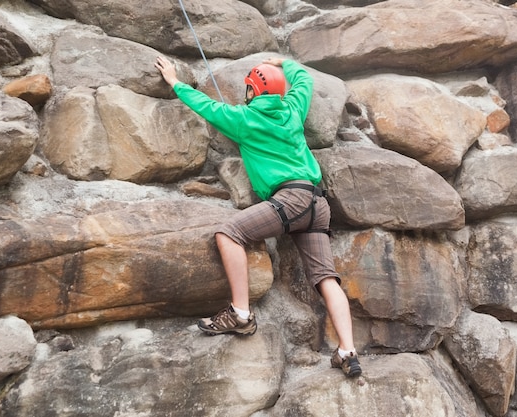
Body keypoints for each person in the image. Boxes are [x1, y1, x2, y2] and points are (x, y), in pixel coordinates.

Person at [155, 55, 362, 377]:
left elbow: (206, 106)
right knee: (325, 277)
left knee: (229, 234)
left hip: (289, 201)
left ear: (252, 90)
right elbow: (305, 81)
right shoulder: (293, 108)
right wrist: (285, 62)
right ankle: (347, 351)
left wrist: (175, 82)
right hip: (317, 203)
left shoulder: (244, 119)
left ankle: (240, 313)